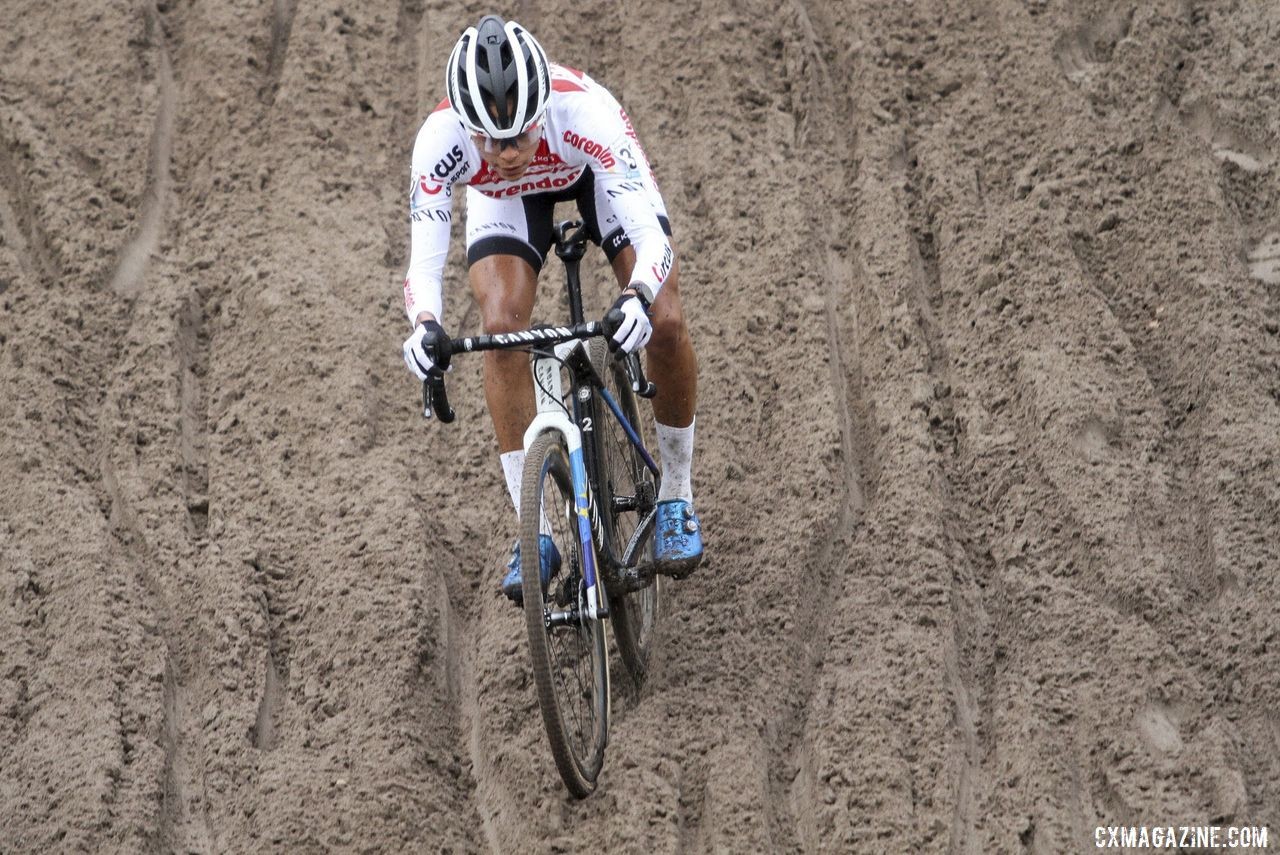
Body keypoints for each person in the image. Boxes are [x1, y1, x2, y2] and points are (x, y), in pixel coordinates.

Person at [400, 15, 702, 602]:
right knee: (499, 329)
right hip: (505, 206)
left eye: (520, 135)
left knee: (664, 321)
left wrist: (637, 294)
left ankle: (676, 496)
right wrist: (425, 326)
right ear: (465, 128)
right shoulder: (438, 142)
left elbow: (654, 239)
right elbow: (423, 263)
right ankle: (533, 532)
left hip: (593, 178)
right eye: (488, 140)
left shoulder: (588, 115)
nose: (508, 152)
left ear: (542, 112)